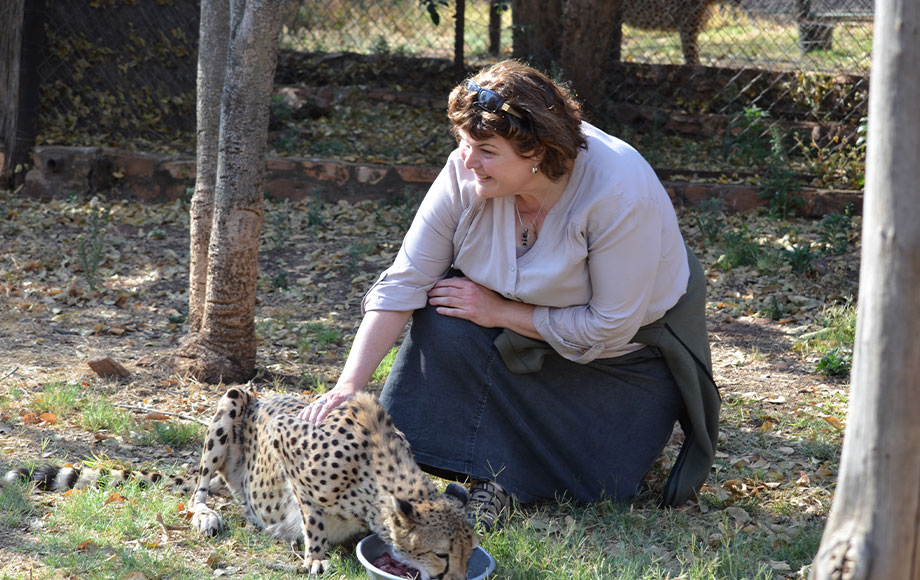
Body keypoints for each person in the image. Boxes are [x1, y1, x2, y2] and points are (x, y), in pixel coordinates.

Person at [300, 60, 719, 531]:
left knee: (603, 485)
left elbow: (609, 326)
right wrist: (348, 385)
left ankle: (507, 476)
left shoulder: (618, 192)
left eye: (485, 150)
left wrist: (499, 310)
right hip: (513, 338)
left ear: (537, 150)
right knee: (444, 311)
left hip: (618, 362)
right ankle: (488, 481)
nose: (466, 161)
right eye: (462, 143)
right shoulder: (468, 169)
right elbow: (407, 279)